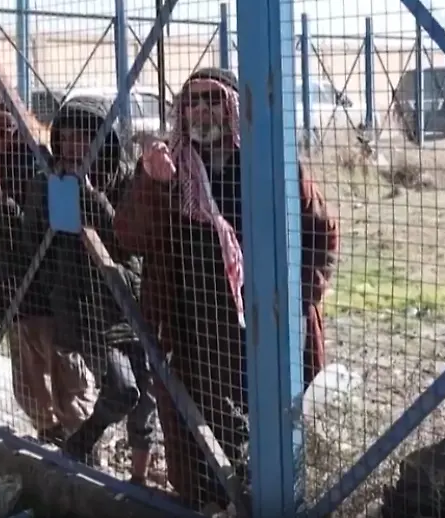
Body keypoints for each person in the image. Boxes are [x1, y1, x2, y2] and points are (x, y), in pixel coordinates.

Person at [113, 68, 339, 510]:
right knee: (198, 430)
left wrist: (300, 298)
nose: (202, 110)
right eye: (193, 101)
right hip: (191, 328)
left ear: (234, 109)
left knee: (270, 426)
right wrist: (152, 183)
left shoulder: (270, 163)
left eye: (213, 100)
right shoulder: (167, 167)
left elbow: (322, 233)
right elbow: (128, 237)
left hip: (263, 327)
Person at [21, 94, 156, 483]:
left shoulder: (125, 179)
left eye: (83, 138)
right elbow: (33, 241)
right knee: (122, 388)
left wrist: (91, 196)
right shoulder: (47, 182)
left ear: (102, 140)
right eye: (66, 138)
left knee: (145, 397)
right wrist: (54, 196)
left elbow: (127, 240)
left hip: (128, 299)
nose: (73, 147)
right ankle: (80, 445)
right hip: (83, 309)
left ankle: (138, 481)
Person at [0, 90, 94, 444]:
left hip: (47, 293)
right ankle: (52, 441)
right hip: (10, 292)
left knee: (67, 383)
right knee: (29, 386)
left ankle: (84, 447)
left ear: (14, 120)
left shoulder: (39, 164)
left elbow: (34, 239)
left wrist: (0, 196)